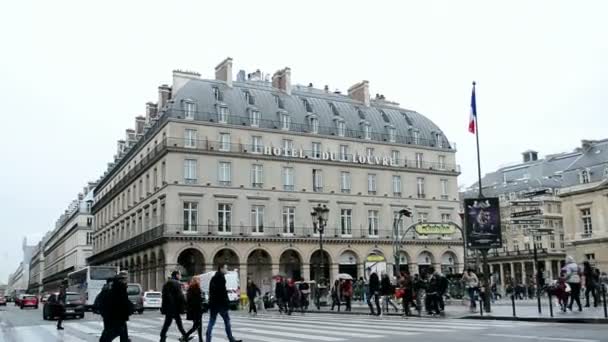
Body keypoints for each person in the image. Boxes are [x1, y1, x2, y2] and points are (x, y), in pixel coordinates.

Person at [205, 264, 242, 342]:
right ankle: (231, 339)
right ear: (221, 269)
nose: (226, 269)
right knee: (227, 321)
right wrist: (227, 303)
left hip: (214, 304)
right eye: (225, 268)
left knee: (211, 321)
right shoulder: (221, 278)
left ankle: (208, 339)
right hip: (221, 304)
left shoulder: (213, 278)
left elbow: (211, 291)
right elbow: (222, 293)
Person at [99, 271, 134, 342]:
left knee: (121, 333)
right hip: (117, 317)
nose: (126, 280)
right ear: (121, 280)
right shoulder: (120, 288)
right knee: (113, 333)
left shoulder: (113, 288)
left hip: (113, 316)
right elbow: (122, 302)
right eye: (125, 278)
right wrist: (130, 309)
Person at [160, 270, 189, 342]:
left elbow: (164, 295)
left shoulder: (166, 283)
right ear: (176, 275)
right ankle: (185, 336)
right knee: (178, 323)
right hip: (175, 307)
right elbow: (180, 296)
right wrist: (186, 303)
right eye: (179, 275)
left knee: (168, 323)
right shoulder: (177, 283)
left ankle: (163, 336)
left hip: (168, 307)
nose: (180, 276)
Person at [184, 276, 205, 342]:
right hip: (196, 310)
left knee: (198, 325)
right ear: (196, 281)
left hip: (193, 310)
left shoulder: (190, 288)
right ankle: (185, 337)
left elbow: (190, 300)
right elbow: (197, 300)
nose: (200, 281)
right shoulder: (196, 288)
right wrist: (202, 299)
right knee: (196, 325)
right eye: (199, 280)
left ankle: (200, 339)